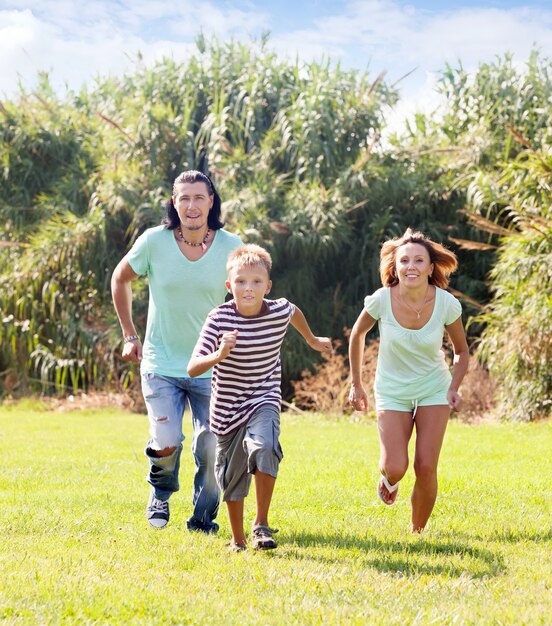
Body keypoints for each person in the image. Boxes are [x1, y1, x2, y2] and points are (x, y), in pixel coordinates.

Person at [111, 170, 242, 532]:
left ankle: (203, 519)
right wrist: (129, 334)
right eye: (183, 198)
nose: (191, 205)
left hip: (213, 367)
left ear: (211, 201)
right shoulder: (154, 241)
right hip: (160, 364)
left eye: (199, 197)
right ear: (174, 202)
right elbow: (120, 278)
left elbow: (251, 294)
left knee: (213, 445)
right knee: (166, 442)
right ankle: (161, 491)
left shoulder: (232, 247)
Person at [187, 244, 333, 551]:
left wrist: (312, 340)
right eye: (240, 281)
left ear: (267, 286)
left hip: (263, 397)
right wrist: (220, 353)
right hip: (227, 408)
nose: (248, 288)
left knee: (265, 447)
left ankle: (261, 524)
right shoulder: (219, 319)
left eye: (256, 282)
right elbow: (192, 367)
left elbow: (294, 312)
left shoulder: (278, 310)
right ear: (229, 286)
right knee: (232, 475)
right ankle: (237, 539)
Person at [348, 228, 469, 533]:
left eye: (418, 261)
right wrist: (356, 384)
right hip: (392, 390)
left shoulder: (446, 304)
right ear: (395, 267)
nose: (411, 267)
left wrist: (454, 387)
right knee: (396, 466)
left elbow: (462, 351)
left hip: (433, 388)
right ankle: (388, 479)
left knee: (426, 467)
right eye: (404, 261)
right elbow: (357, 334)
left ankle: (417, 532)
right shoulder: (381, 300)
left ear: (431, 268)